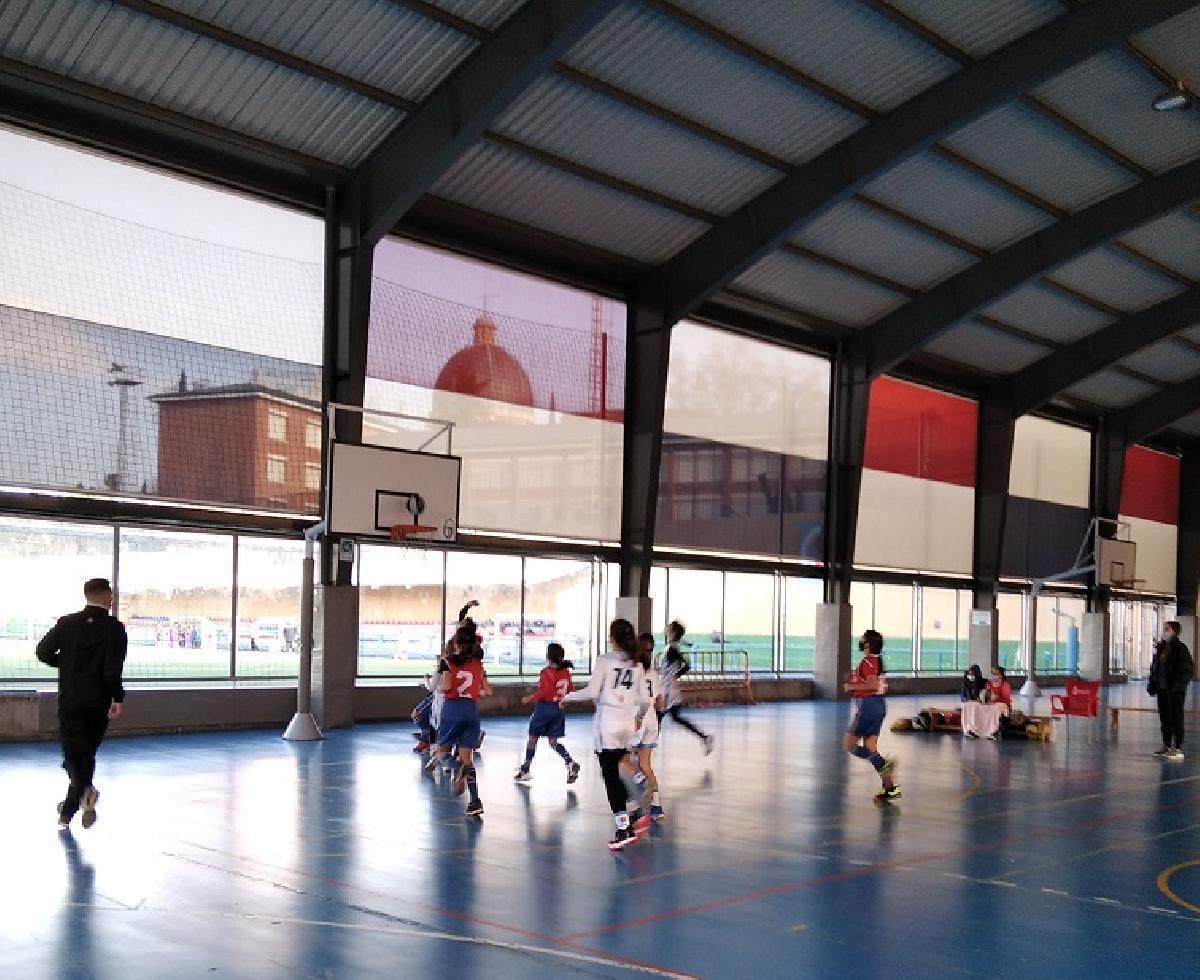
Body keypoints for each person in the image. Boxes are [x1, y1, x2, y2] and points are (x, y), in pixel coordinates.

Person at [35, 578, 127, 830]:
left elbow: (43, 652)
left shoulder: (66, 623)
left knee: (74, 756)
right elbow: (112, 669)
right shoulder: (115, 628)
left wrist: (67, 665)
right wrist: (117, 698)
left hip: (71, 699)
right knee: (85, 755)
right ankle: (76, 801)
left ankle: (73, 804)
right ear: (108, 597)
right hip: (98, 703)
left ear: (86, 596)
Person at [561, 618, 652, 851]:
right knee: (613, 768)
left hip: (608, 722)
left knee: (610, 776)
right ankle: (634, 808)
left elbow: (592, 691)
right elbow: (644, 700)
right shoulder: (638, 665)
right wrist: (639, 717)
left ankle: (623, 828)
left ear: (612, 638)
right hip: (627, 723)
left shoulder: (605, 661)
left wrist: (568, 697)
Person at [432, 625, 492, 817]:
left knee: (441, 754)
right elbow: (489, 691)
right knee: (468, 759)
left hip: (453, 709)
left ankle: (456, 767)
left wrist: (439, 687)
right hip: (471, 711)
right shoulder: (478, 665)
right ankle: (474, 801)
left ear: (456, 644)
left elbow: (447, 685)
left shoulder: (448, 662)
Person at [843, 629, 900, 802]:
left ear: (868, 643)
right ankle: (890, 788)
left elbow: (872, 685)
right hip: (879, 706)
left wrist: (850, 687)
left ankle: (883, 764)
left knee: (850, 745)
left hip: (868, 706)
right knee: (870, 747)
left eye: (864, 639)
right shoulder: (877, 661)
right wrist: (854, 681)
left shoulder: (868, 661)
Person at [514, 642, 581, 785]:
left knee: (532, 738)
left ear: (548, 656)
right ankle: (569, 762)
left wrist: (530, 697)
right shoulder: (566, 673)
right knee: (553, 741)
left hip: (544, 709)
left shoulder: (546, 672)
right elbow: (569, 690)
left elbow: (545, 691)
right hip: (558, 710)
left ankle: (525, 769)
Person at [625, 633, 665, 821]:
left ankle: (638, 793)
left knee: (620, 760)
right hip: (652, 721)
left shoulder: (633, 672)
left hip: (636, 721)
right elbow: (660, 703)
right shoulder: (653, 673)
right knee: (646, 765)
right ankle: (657, 809)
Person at [659, 621, 715, 756]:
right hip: (668, 687)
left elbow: (687, 664)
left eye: (669, 627)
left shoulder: (672, 649)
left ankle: (643, 746)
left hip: (668, 690)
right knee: (671, 718)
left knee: (658, 717)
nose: (666, 628)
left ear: (672, 631)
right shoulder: (671, 647)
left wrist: (673, 675)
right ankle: (704, 737)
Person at [1149, 621, 1194, 760]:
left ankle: (1178, 748)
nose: (1164, 631)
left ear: (1174, 631)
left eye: (1166, 629)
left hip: (1174, 690)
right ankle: (1166, 745)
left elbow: (1186, 670)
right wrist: (1152, 684)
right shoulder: (1161, 648)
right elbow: (1155, 668)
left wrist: (1177, 687)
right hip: (1162, 689)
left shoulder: (1181, 649)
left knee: (1176, 718)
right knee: (1164, 718)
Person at [964, 665, 1011, 740]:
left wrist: (996, 697)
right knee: (976, 707)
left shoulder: (1005, 685)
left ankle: (993, 730)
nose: (993, 675)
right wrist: (983, 698)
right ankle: (974, 729)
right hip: (990, 704)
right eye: (992, 673)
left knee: (994, 709)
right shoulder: (988, 684)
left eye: (996, 674)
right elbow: (986, 694)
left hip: (1002, 704)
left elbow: (1006, 699)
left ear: (1001, 675)